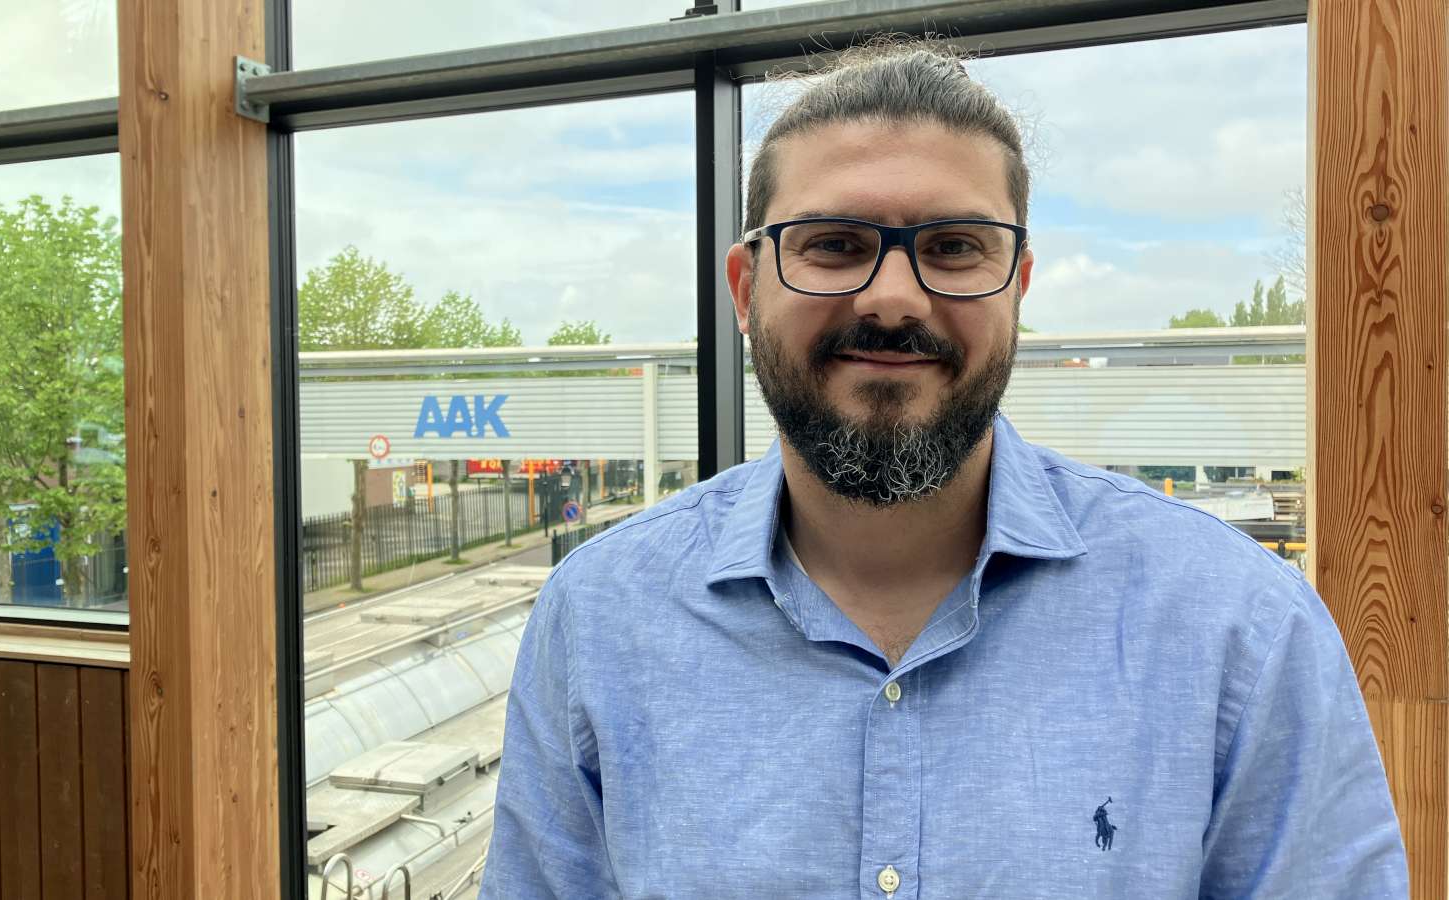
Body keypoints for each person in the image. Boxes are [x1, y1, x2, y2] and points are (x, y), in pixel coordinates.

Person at [480, 40, 1408, 898]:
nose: (893, 299)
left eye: (954, 248)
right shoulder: (598, 620)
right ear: (745, 288)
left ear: (1018, 287)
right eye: (834, 244)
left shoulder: (1238, 627)